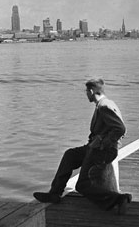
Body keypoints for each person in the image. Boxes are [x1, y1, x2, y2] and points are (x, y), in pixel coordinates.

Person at [33, 78, 132, 215]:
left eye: (86, 91)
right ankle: (55, 193)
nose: (86, 94)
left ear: (91, 91)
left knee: (82, 185)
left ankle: (119, 199)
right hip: (94, 148)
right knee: (70, 155)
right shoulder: (104, 104)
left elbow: (120, 129)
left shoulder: (104, 106)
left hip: (102, 151)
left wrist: (103, 142)